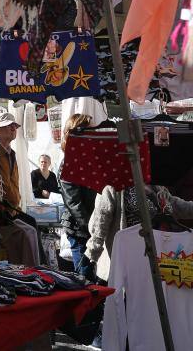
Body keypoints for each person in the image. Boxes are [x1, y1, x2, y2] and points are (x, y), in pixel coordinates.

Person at [85, 184, 193, 275]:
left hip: (161, 253)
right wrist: (93, 253)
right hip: (130, 255)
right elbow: (101, 220)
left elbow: (178, 207)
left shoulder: (158, 188)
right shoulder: (113, 187)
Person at [58, 113, 97, 277]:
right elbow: (74, 204)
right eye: (90, 130)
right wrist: (92, 229)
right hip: (80, 229)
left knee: (95, 277)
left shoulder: (89, 159)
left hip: (92, 227)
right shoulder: (69, 162)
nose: (94, 134)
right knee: (84, 277)